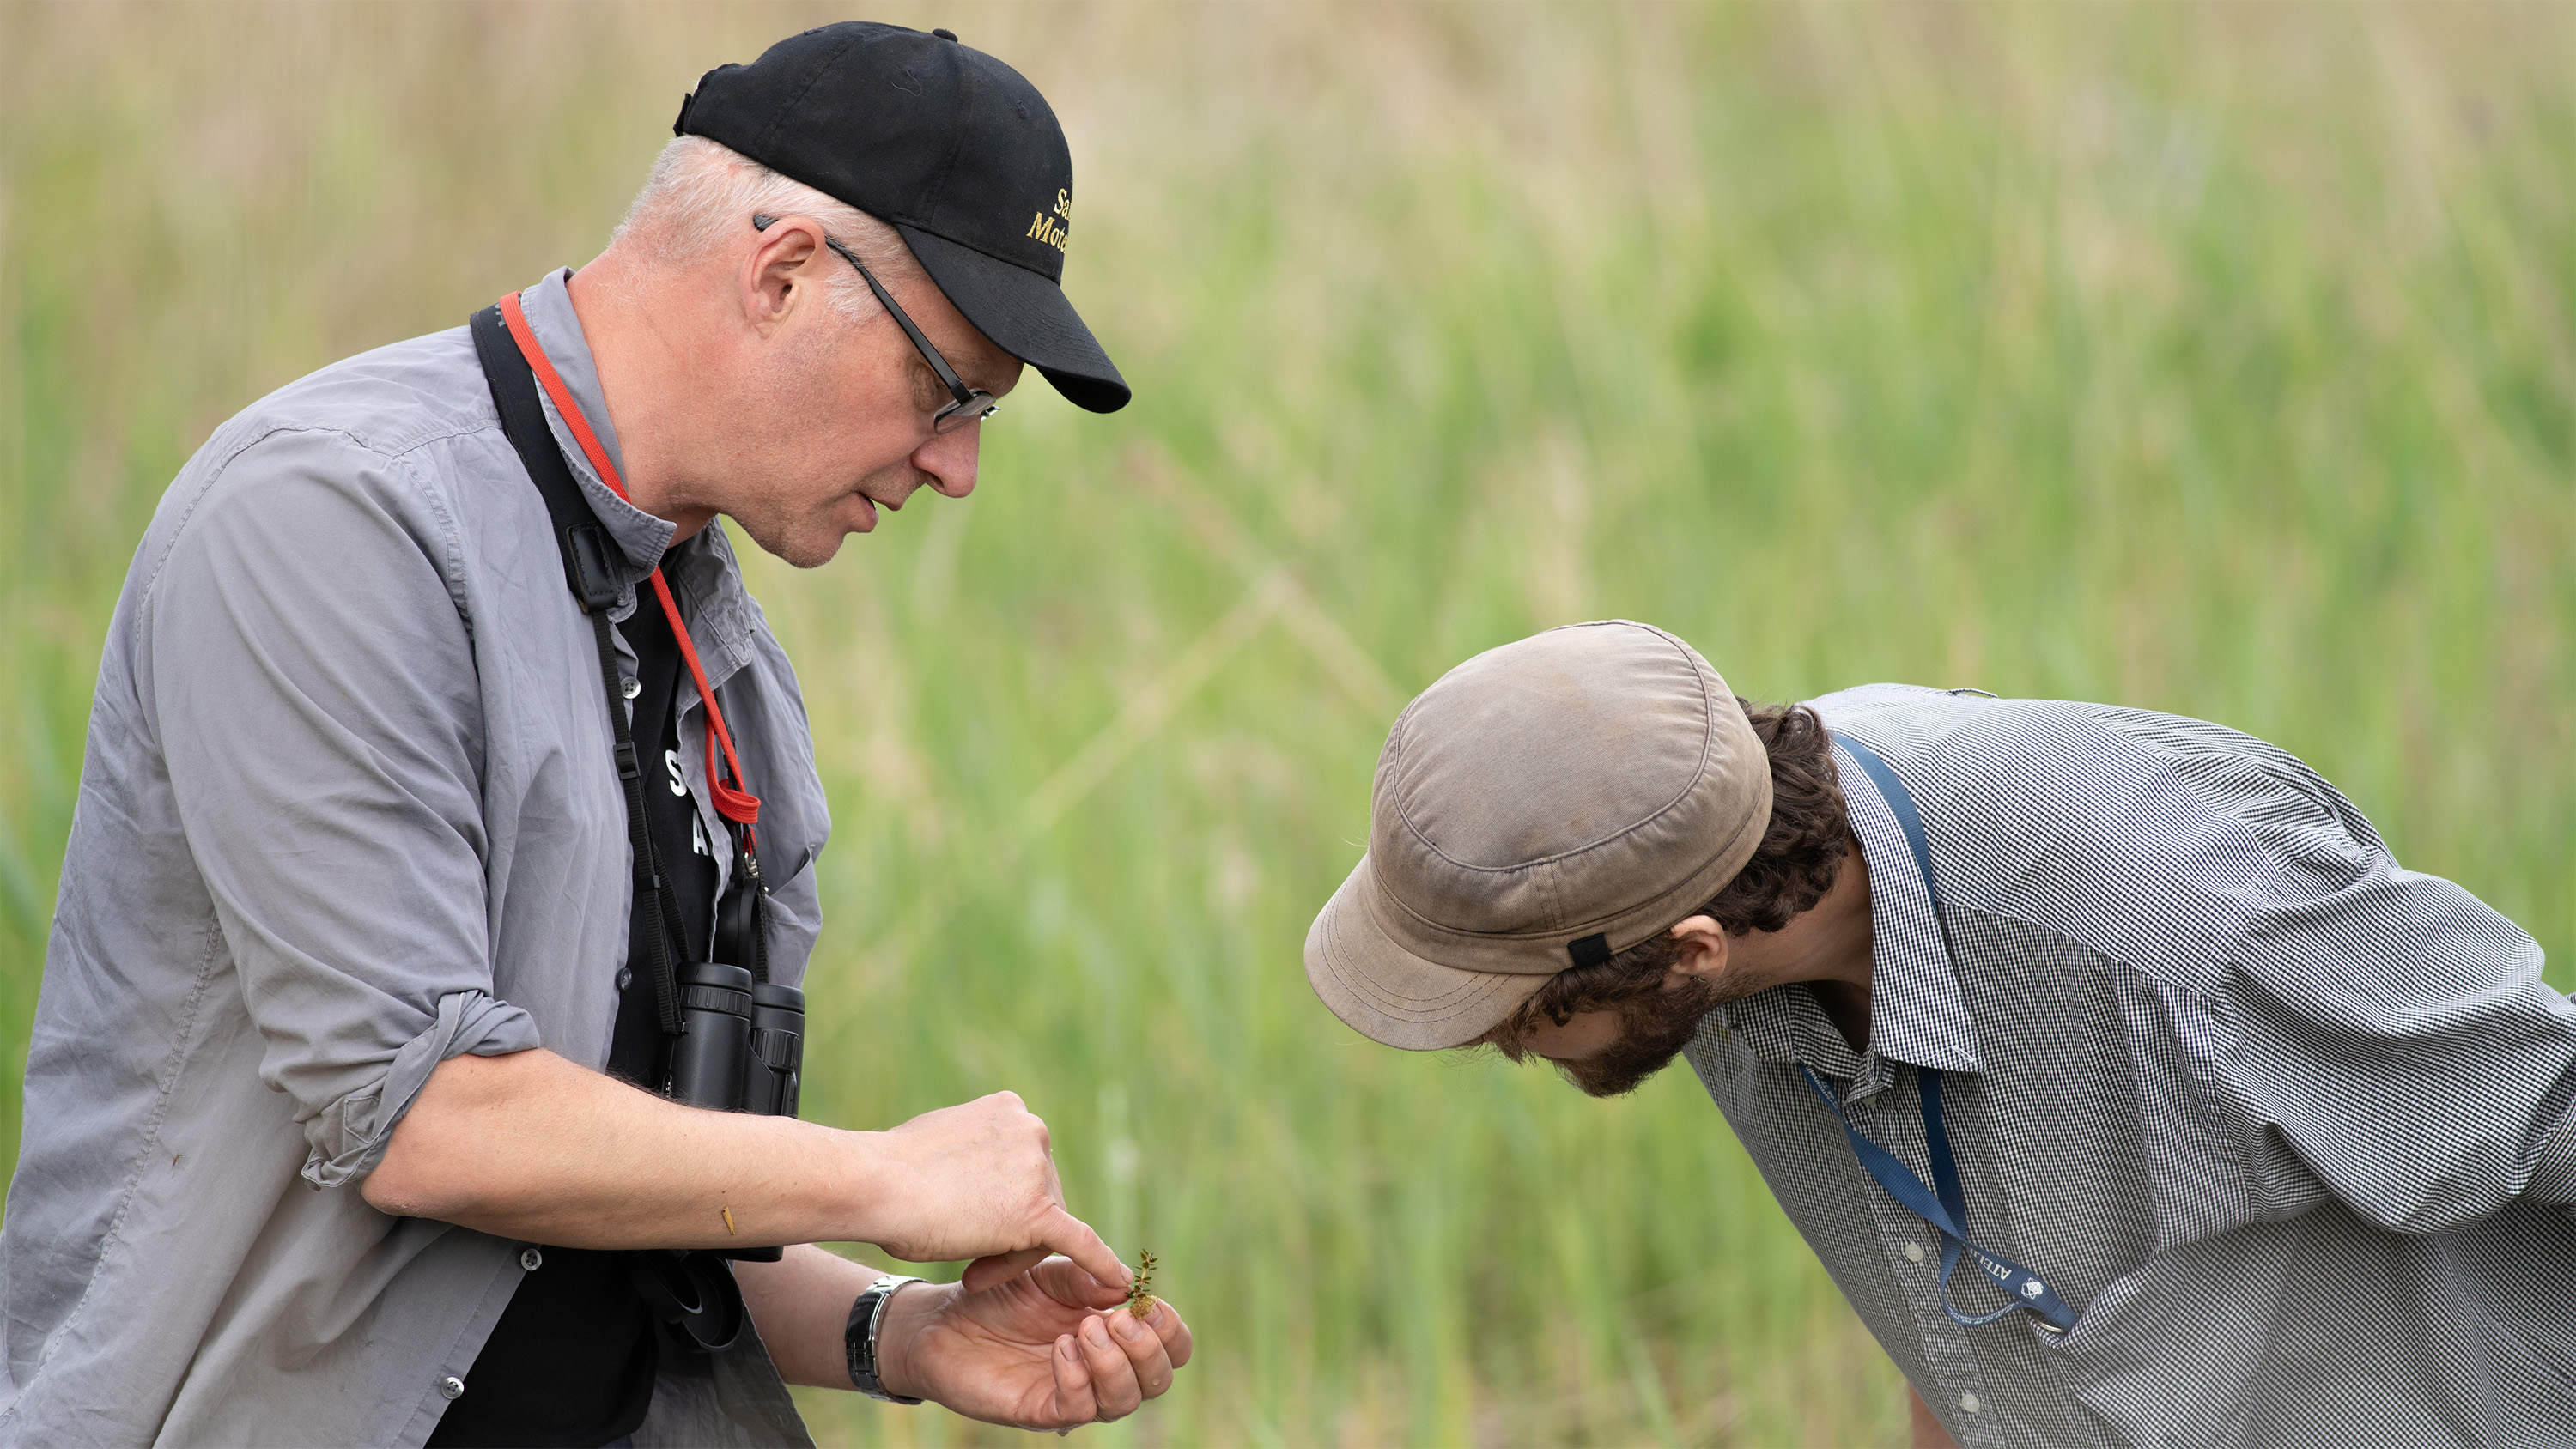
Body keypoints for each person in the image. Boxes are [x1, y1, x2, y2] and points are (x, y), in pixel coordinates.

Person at [0, 22, 1189, 1448]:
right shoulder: (330, 521)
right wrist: (882, 1174)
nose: (960, 468)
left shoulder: (721, 653)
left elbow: (647, 1204)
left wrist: (904, 1331)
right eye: (948, 391)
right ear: (784, 273)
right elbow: (430, 1116)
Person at [1304, 619, 2576, 1449]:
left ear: (1689, 953)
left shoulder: (2183, 914)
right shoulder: (1700, 893)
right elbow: (1953, 1298)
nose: (1508, 1049)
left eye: (1524, 1015)